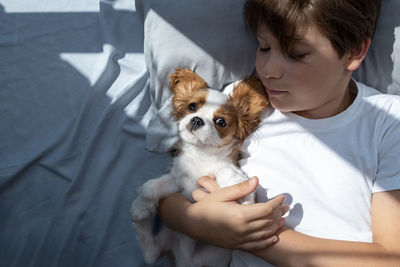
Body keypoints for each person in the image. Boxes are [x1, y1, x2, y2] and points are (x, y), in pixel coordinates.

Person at [158, 0, 400, 266]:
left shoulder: (388, 122)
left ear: (354, 51)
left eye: (296, 53)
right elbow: (167, 197)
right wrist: (197, 223)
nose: (269, 70)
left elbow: (391, 257)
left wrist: (248, 235)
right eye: (263, 47)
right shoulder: (240, 105)